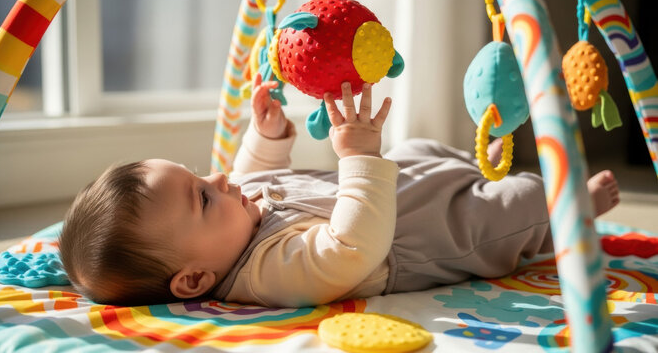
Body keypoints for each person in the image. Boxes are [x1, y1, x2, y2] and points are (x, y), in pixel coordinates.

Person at [59, 74, 620, 307]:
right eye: (202, 196)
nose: (218, 178)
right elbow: (350, 250)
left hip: (395, 181)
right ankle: (574, 211)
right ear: (195, 280)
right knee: (506, 211)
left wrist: (268, 136)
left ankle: (472, 162)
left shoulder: (234, 215)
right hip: (424, 235)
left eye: (197, 174)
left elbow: (251, 171)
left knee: (418, 150)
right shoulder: (266, 274)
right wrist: (356, 158)